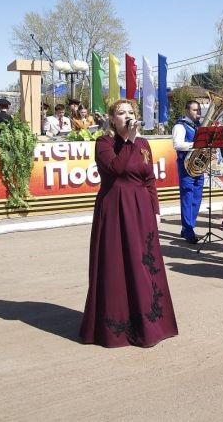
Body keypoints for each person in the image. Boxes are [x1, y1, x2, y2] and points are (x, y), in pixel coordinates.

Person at [80, 99, 177, 348]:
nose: (127, 117)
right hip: (114, 208)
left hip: (141, 208)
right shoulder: (104, 143)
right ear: (112, 119)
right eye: (121, 113)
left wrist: (155, 210)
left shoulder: (144, 144)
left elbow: (149, 179)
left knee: (144, 265)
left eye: (130, 112)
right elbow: (117, 168)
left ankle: (151, 323)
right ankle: (117, 329)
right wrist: (129, 141)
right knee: (116, 265)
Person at [172, 100, 204, 244]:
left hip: (199, 166)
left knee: (196, 198)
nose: (198, 113)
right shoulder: (180, 126)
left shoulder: (198, 127)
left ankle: (187, 227)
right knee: (187, 198)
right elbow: (177, 144)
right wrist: (196, 145)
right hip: (186, 166)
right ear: (186, 111)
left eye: (199, 110)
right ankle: (188, 229)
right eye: (195, 110)